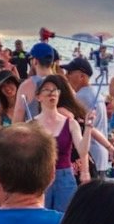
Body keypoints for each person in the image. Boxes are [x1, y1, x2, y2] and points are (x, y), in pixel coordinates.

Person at [30, 74, 89, 214]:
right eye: (46, 90)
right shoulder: (31, 125)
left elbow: (82, 150)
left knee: (65, 220)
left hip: (65, 177)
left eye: (54, 90)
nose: (51, 93)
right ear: (39, 97)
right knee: (41, 218)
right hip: (40, 177)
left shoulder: (70, 123)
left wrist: (89, 128)